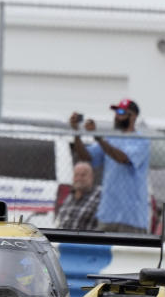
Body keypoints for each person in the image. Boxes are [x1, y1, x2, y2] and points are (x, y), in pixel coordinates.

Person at [69, 99, 150, 233]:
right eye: (116, 112)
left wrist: (99, 138)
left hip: (131, 218)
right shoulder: (110, 139)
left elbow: (122, 158)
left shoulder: (141, 140)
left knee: (127, 253)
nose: (117, 116)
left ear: (133, 116)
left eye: (121, 112)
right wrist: (77, 133)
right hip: (107, 215)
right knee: (100, 252)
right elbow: (86, 156)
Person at [56, 162, 101, 231]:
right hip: (63, 239)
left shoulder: (99, 196)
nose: (79, 178)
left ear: (91, 177)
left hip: (85, 240)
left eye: (83, 175)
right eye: (76, 175)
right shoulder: (69, 197)